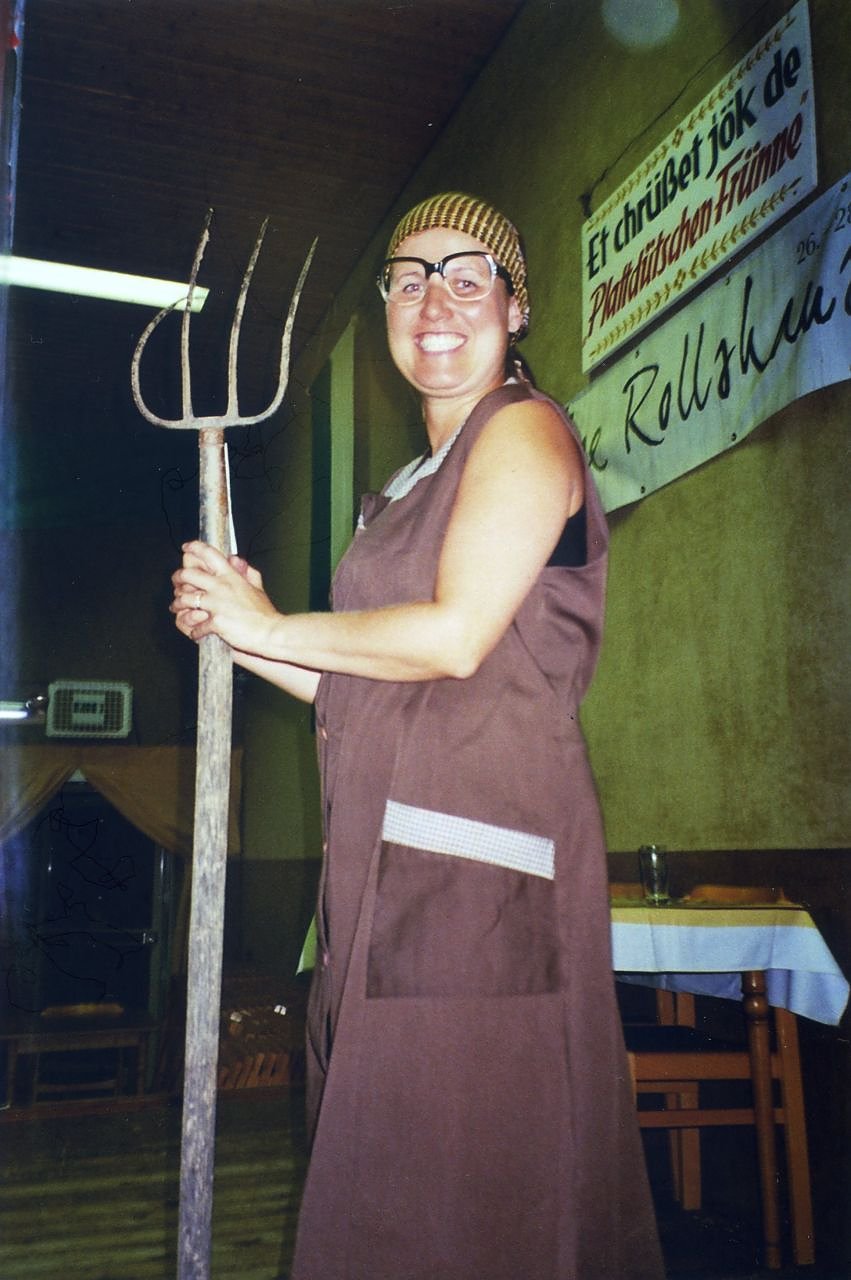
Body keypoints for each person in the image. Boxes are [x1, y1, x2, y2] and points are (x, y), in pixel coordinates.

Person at [171, 192, 664, 1279]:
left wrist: (272, 623)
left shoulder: (524, 430)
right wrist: (239, 631)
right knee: (387, 1192)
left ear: (515, 307)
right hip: (376, 884)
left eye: (465, 277)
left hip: (479, 890)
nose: (433, 302)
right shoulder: (398, 489)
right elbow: (355, 688)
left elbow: (452, 636)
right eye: (407, 280)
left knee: (469, 1200)